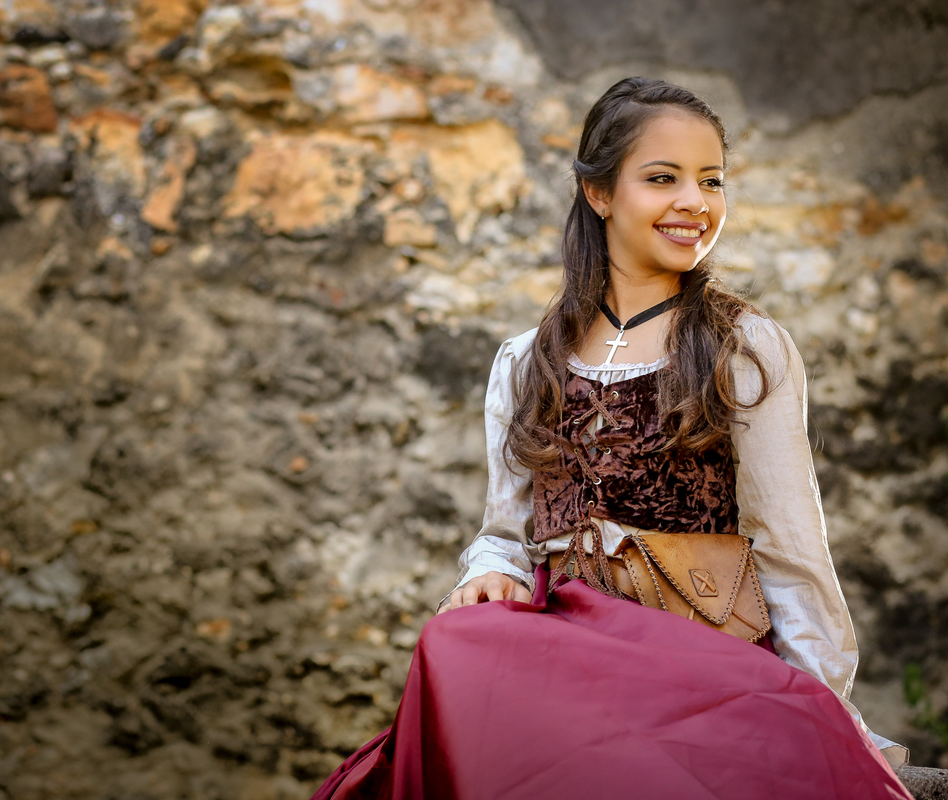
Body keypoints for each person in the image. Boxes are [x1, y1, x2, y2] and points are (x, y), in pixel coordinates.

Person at [313, 77, 912, 800]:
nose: (696, 201)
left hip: (696, 655)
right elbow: (505, 533)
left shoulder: (744, 347)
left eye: (712, 180)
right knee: (451, 640)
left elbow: (790, 547)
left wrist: (825, 710)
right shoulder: (526, 360)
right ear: (600, 194)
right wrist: (490, 571)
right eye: (663, 178)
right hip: (568, 650)